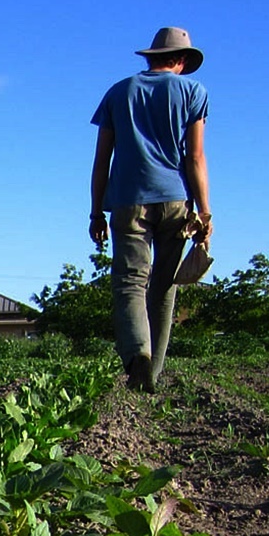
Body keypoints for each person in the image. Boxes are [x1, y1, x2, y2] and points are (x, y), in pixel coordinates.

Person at [88, 27, 213, 393]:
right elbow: (195, 157)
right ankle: (152, 375)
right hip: (175, 200)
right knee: (164, 286)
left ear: (151, 56)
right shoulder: (193, 92)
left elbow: (101, 161)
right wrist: (204, 211)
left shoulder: (118, 92)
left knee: (130, 284)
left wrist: (97, 212)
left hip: (127, 199)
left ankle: (137, 358)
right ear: (182, 59)